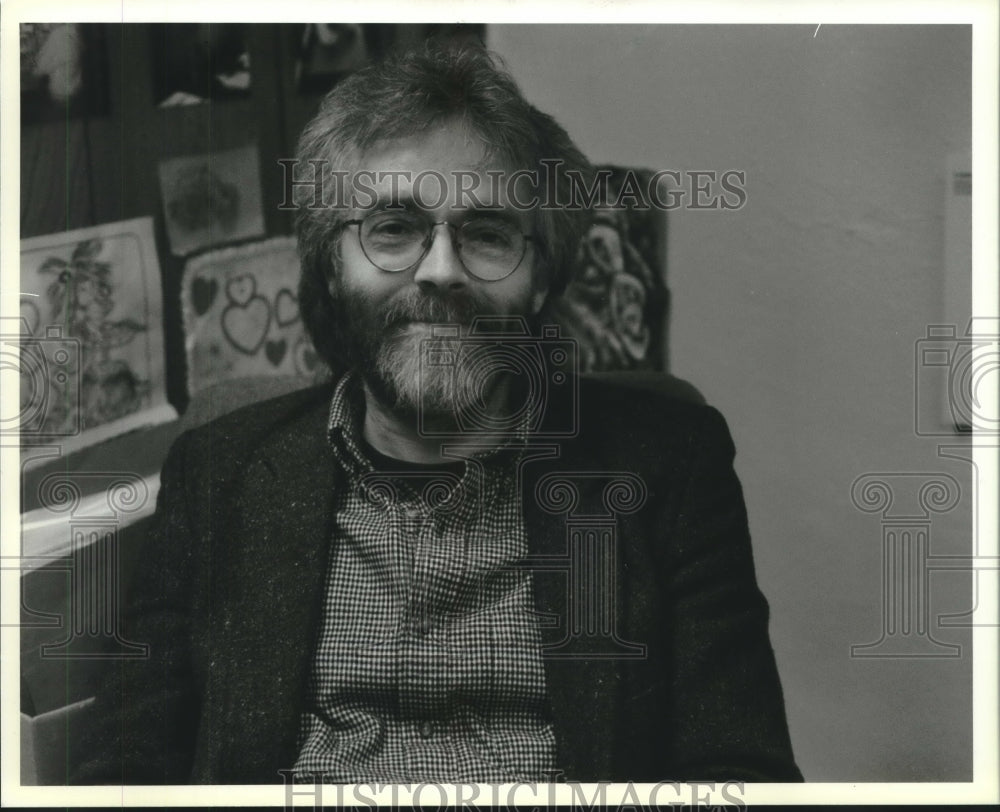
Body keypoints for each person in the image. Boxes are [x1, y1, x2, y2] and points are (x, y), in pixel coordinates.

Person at [73, 45, 801, 785]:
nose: (441, 270)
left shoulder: (673, 470)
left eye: (487, 234)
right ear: (332, 262)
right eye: (392, 228)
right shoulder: (215, 475)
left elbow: (740, 775)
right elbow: (122, 773)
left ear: (542, 273)